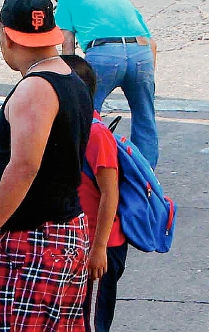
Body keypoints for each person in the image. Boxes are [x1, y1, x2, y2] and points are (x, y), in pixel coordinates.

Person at [0, 0, 93, 332]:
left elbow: (24, 166)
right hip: (60, 236)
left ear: (6, 36)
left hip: (36, 242)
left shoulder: (35, 88)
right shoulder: (71, 78)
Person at [56, 0, 160, 167]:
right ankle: (146, 176)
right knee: (144, 115)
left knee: (86, 112)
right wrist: (146, 79)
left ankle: (85, 168)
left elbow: (67, 43)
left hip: (104, 54)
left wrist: (68, 83)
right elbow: (152, 44)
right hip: (141, 53)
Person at [62, 55, 127, 332]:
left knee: (92, 321)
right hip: (79, 243)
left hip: (102, 245)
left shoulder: (97, 133)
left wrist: (99, 249)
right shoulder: (73, 126)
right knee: (76, 316)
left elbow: (110, 194)